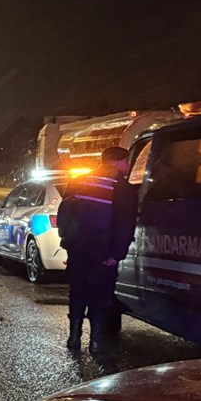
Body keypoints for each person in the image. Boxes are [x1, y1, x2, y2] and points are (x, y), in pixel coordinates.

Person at [57, 147, 137, 352]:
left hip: (77, 249)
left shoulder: (78, 182)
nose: (128, 166)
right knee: (100, 296)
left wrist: (67, 241)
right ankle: (95, 341)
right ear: (116, 162)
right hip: (103, 253)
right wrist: (116, 254)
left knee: (77, 293)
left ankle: (74, 338)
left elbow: (64, 214)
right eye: (126, 162)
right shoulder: (123, 189)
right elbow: (125, 225)